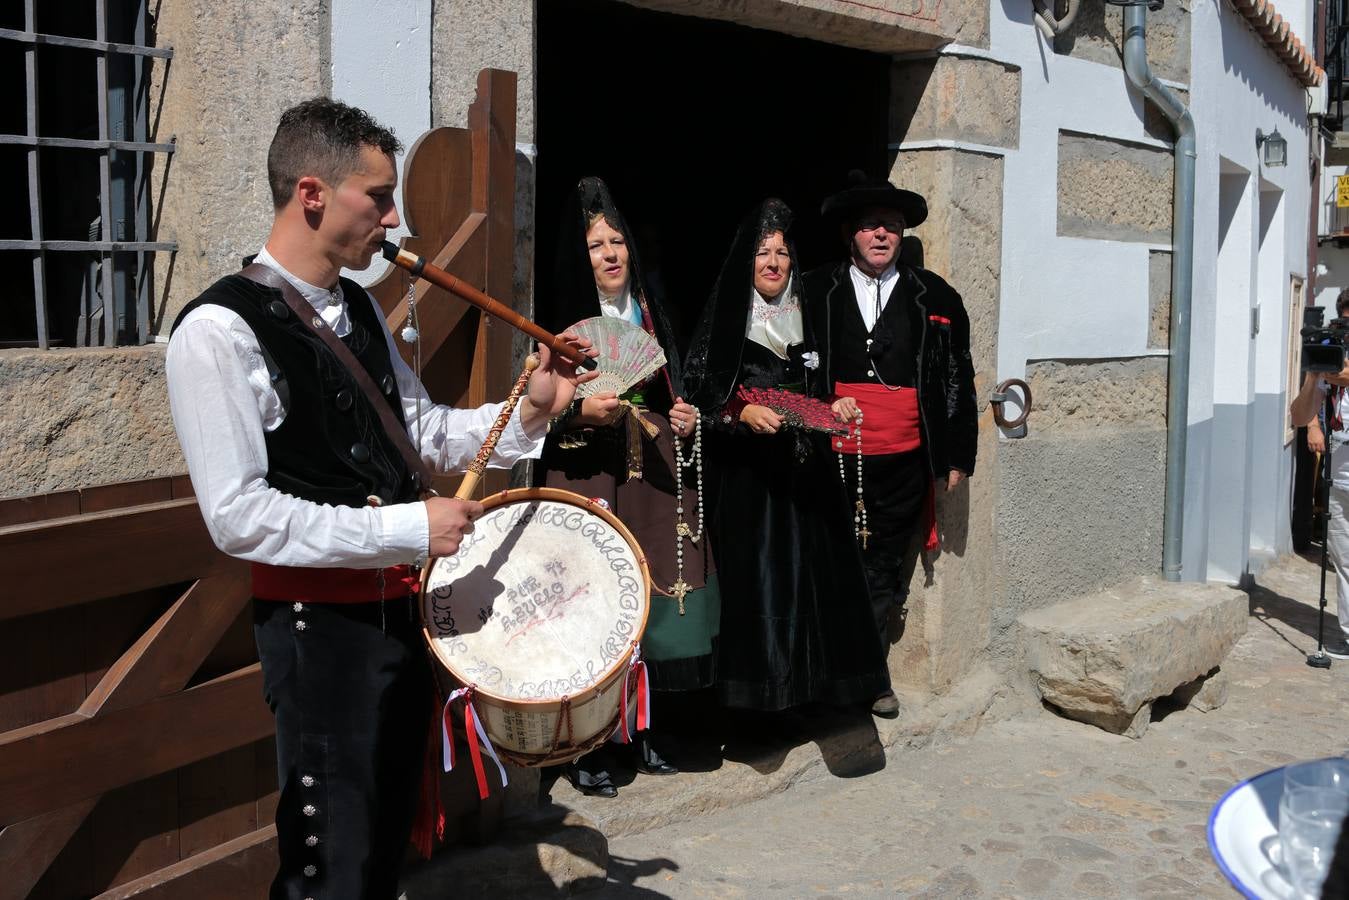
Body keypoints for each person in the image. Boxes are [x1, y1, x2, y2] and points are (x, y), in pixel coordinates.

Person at [165, 98, 592, 899]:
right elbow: (237, 516)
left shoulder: (359, 305)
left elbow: (421, 434)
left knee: (386, 843)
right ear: (312, 194)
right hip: (320, 634)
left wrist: (530, 407)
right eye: (378, 196)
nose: (394, 218)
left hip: (399, 616)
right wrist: (406, 525)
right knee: (332, 860)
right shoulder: (216, 332)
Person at [537, 176, 718, 796]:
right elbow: (526, 411)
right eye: (596, 245)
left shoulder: (651, 313)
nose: (611, 254)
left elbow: (671, 395)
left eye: (617, 242)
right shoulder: (559, 321)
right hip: (588, 473)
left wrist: (685, 419)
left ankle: (640, 731)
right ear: (577, 257)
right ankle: (583, 748)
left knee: (647, 600)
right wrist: (578, 413)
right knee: (592, 602)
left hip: (648, 476)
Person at [683, 197, 889, 712]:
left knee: (814, 583)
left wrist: (834, 403)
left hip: (807, 479)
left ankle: (810, 696)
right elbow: (698, 403)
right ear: (745, 262)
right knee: (760, 587)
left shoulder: (805, 319)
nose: (773, 262)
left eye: (781, 252)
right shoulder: (726, 326)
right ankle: (756, 705)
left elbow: (815, 392)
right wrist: (739, 414)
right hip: (751, 487)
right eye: (762, 252)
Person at [803, 172, 978, 719]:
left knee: (881, 569)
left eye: (893, 227)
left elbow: (956, 377)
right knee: (834, 564)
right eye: (871, 226)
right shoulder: (812, 292)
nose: (882, 234)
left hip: (902, 460)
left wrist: (956, 455)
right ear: (851, 233)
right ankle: (822, 677)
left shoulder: (936, 297)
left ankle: (872, 677)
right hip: (830, 459)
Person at [1290, 290, 1349, 659]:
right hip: (1341, 472)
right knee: (1345, 558)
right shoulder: (1331, 360)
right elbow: (1298, 415)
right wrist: (1314, 377)